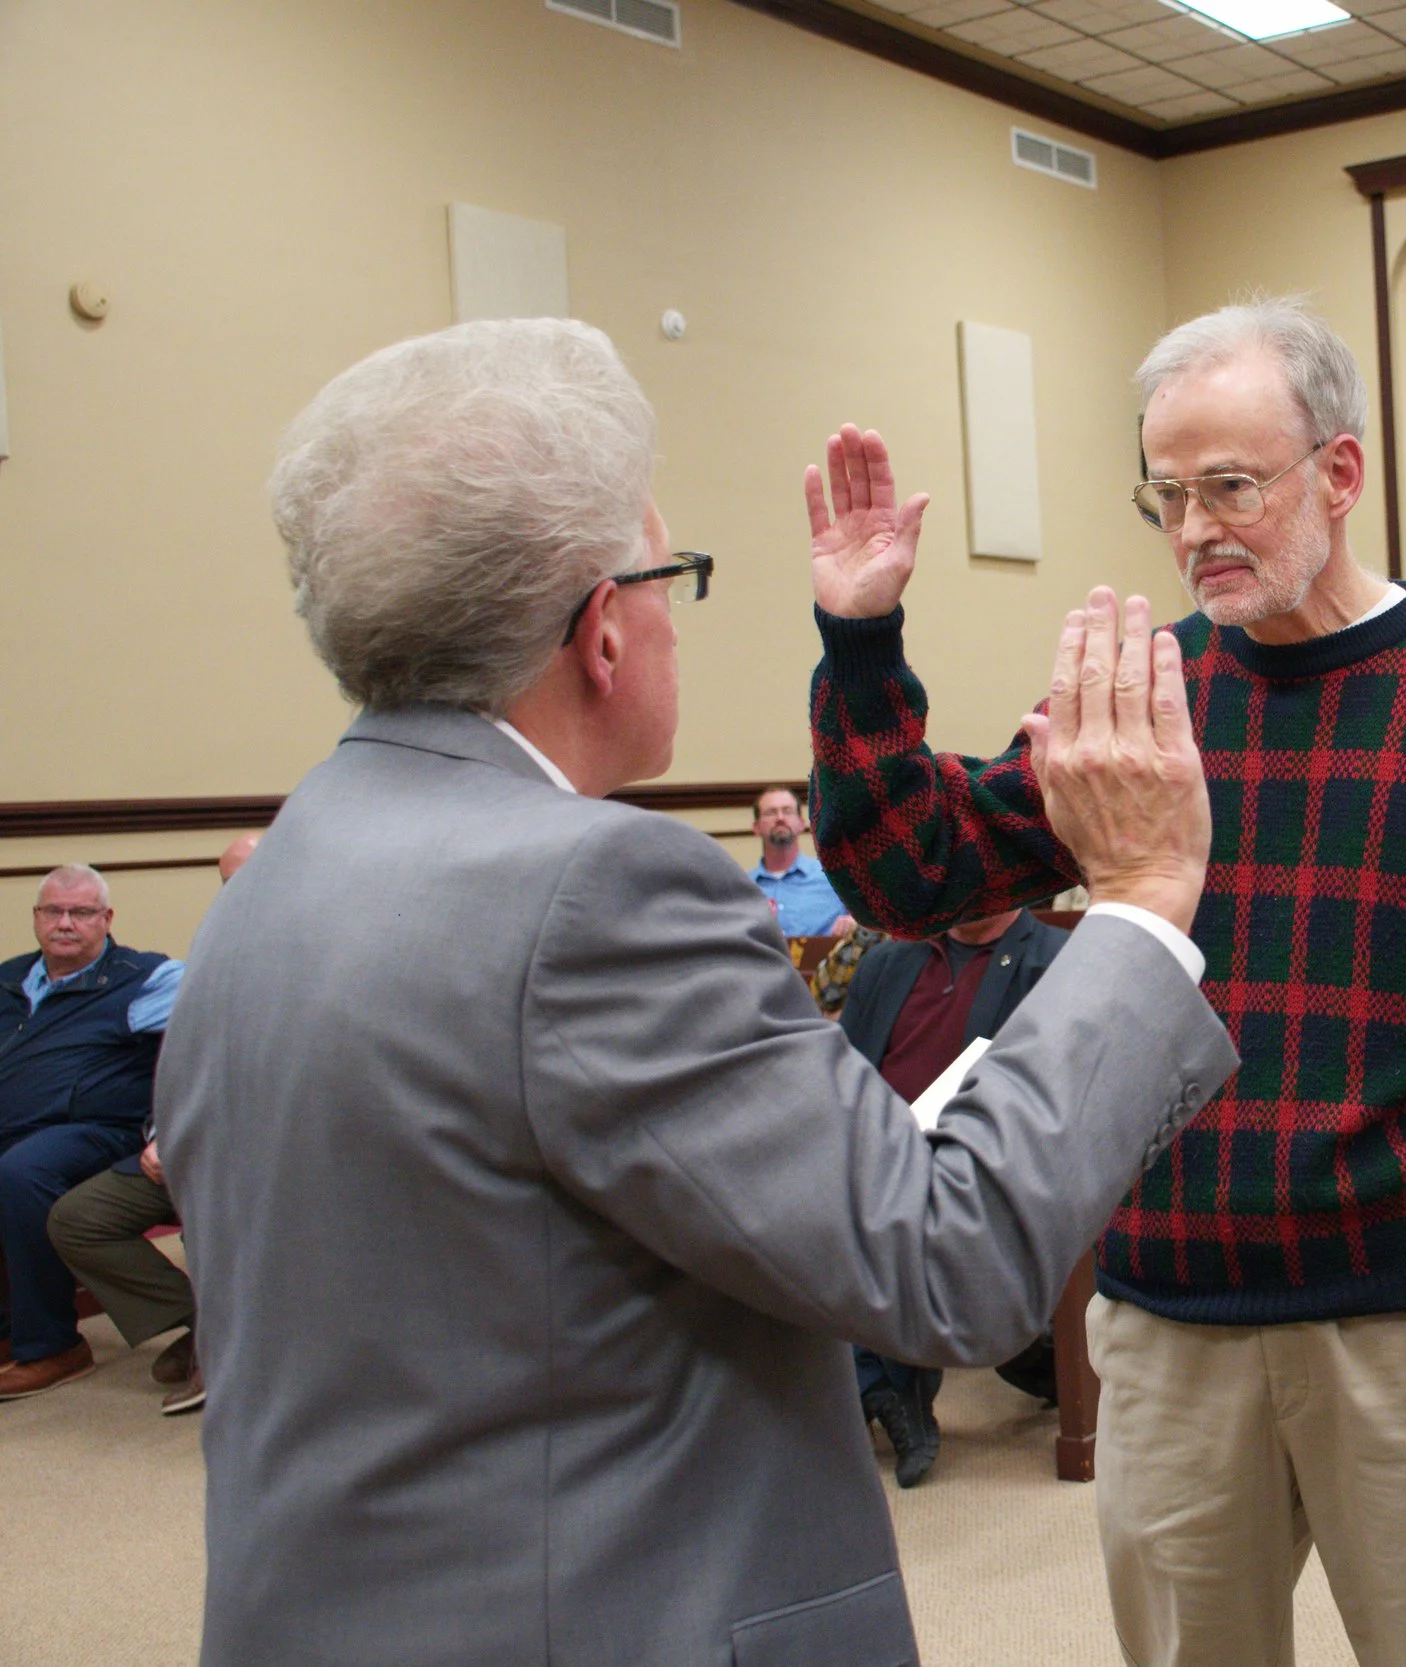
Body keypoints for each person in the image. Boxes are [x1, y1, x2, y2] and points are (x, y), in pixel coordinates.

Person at [154, 317, 1238, 1667]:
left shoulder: (282, 866)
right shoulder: (598, 890)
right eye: (675, 577)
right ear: (603, 632)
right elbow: (944, 1259)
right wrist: (1138, 899)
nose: (677, 614)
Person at [803, 298, 1406, 1667]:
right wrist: (861, 640)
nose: (1196, 528)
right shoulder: (1148, 701)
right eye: (1168, 496)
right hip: (1170, 1318)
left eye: (1230, 487)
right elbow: (910, 870)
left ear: (1340, 472)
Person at [836, 905, 1073, 1486]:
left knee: (904, 1217)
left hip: (984, 1165)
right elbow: (842, 1078)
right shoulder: (888, 962)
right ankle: (885, 1382)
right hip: (878, 1153)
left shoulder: (1054, 960)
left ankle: (889, 1384)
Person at [45, 833, 257, 1415]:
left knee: (217, 1204)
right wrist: (163, 1132)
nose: (241, 896)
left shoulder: (324, 953)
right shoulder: (213, 956)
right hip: (189, 1137)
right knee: (78, 1219)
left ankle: (236, 1348)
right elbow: (179, 1064)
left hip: (267, 1145)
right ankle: (200, 1328)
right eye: (229, 884)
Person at [0, 865, 185, 1401]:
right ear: (35, 918)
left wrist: (167, 1130)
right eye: (52, 911)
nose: (64, 923)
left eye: (80, 912)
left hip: (98, 1128)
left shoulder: (146, 977)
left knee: (20, 1170)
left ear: (106, 919)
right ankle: (8, 1332)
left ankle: (51, 1345)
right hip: (16, 1126)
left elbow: (212, 1032)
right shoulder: (9, 980)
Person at [749, 784, 853, 937]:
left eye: (787, 811)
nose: (780, 818)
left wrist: (854, 924)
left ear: (802, 823)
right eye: (771, 812)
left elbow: (872, 925)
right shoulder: (742, 888)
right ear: (756, 827)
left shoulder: (833, 878)